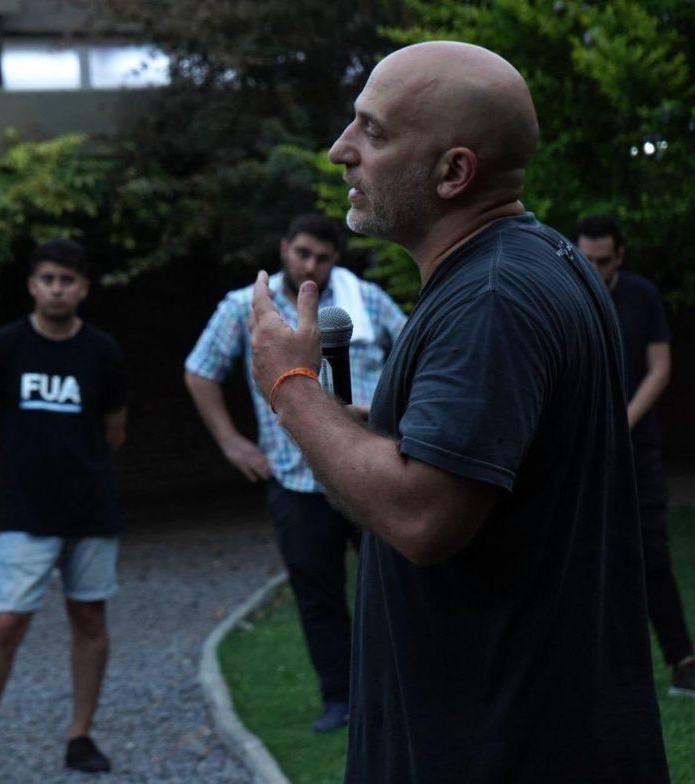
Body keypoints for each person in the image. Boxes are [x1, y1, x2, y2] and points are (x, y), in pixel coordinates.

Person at [248, 41, 669, 783]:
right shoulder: (538, 261)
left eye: (373, 133)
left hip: (496, 748)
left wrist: (288, 382)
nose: (340, 150)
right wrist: (363, 421)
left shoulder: (493, 299)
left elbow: (423, 516)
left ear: (453, 172)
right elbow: (499, 449)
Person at [184, 213, 405, 732]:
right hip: (296, 479)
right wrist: (231, 443)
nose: (311, 264)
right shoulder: (244, 308)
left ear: (335, 260)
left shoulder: (364, 301)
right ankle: (341, 698)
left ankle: (400, 688)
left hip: (366, 467)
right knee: (317, 592)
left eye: (323, 257)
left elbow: (414, 350)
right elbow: (199, 370)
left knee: (395, 583)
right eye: (302, 252)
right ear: (284, 249)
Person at [0, 239, 127, 783]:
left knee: (89, 617)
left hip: (92, 510)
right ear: (32, 285)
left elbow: (114, 432)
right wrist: (17, 485)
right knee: (5, 623)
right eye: (48, 279)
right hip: (24, 514)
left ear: (83, 288)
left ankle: (80, 736)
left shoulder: (103, 352)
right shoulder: (3, 347)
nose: (57, 289)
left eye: (68, 280)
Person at [575, 213, 695, 696]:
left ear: (619, 257)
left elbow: (660, 369)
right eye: (586, 260)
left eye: (603, 261)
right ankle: (591, 669)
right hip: (578, 454)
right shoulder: (565, 293)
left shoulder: (641, 296)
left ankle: (683, 661)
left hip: (635, 449)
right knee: (582, 558)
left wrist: (620, 423)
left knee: (649, 552)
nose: (595, 270)